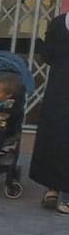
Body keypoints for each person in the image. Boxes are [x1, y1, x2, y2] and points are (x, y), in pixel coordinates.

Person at [31, 11, 69, 215]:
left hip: (59, 87)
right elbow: (48, 55)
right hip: (59, 89)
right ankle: (54, 189)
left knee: (59, 135)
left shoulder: (59, 23)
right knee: (56, 135)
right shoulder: (59, 23)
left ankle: (58, 191)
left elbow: (48, 55)